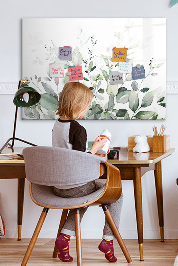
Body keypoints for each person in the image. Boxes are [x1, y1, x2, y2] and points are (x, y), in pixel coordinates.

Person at [52, 82, 122, 263]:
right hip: (75, 186)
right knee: (117, 194)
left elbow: (69, 154)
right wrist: (96, 148)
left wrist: (91, 150)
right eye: (87, 106)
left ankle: (64, 238)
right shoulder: (78, 129)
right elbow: (80, 161)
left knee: (82, 197)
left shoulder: (57, 125)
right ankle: (108, 240)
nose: (87, 109)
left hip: (58, 186)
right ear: (78, 105)